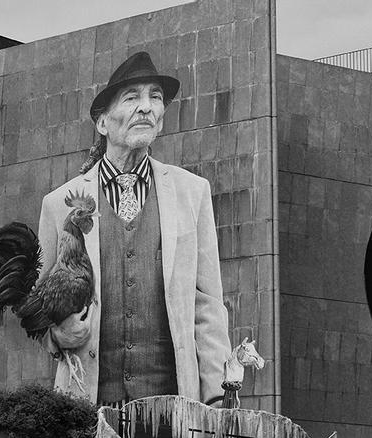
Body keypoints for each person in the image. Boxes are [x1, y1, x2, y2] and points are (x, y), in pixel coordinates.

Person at [37, 51, 232, 405]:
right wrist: (55, 333)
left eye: (154, 97)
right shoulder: (58, 203)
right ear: (102, 122)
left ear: (160, 119)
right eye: (132, 98)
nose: (146, 107)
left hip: (174, 409)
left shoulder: (193, 193)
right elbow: (35, 299)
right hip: (87, 405)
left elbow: (208, 305)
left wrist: (217, 395)